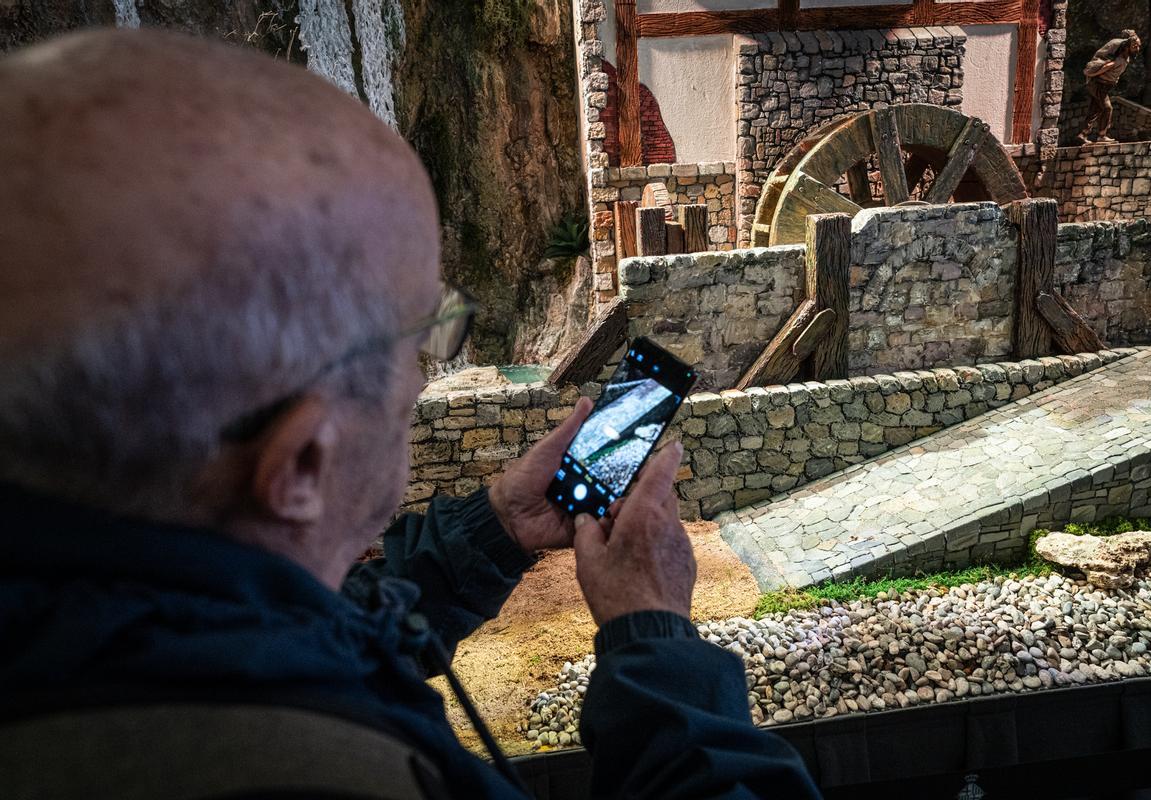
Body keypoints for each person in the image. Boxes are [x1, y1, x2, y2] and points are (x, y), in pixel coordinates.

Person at [0, 29, 821, 799]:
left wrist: (491, 532)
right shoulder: (328, 770)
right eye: (422, 332)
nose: (423, 374)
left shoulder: (89, 659)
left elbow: (283, 631)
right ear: (301, 464)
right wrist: (654, 640)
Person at [1079, 29, 1141, 145]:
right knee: (1107, 108)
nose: (1137, 49)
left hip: (1103, 85)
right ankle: (1102, 135)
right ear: (1127, 46)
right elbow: (1107, 66)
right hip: (1098, 84)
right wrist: (1091, 74)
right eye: (1135, 46)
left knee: (1095, 109)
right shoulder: (1118, 58)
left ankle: (1082, 134)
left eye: (1138, 46)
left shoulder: (1125, 57)